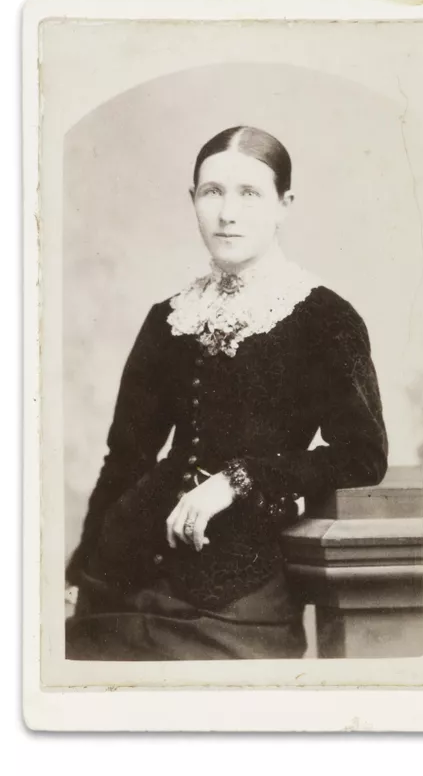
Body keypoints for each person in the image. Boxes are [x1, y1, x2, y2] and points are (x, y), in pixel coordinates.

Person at [65, 125, 388, 661]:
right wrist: (78, 576)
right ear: (192, 200)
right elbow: (125, 458)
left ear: (284, 205)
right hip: (118, 581)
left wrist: (238, 480)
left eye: (249, 193)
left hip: (234, 598)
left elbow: (363, 456)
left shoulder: (324, 318)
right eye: (212, 192)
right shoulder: (169, 318)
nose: (227, 213)